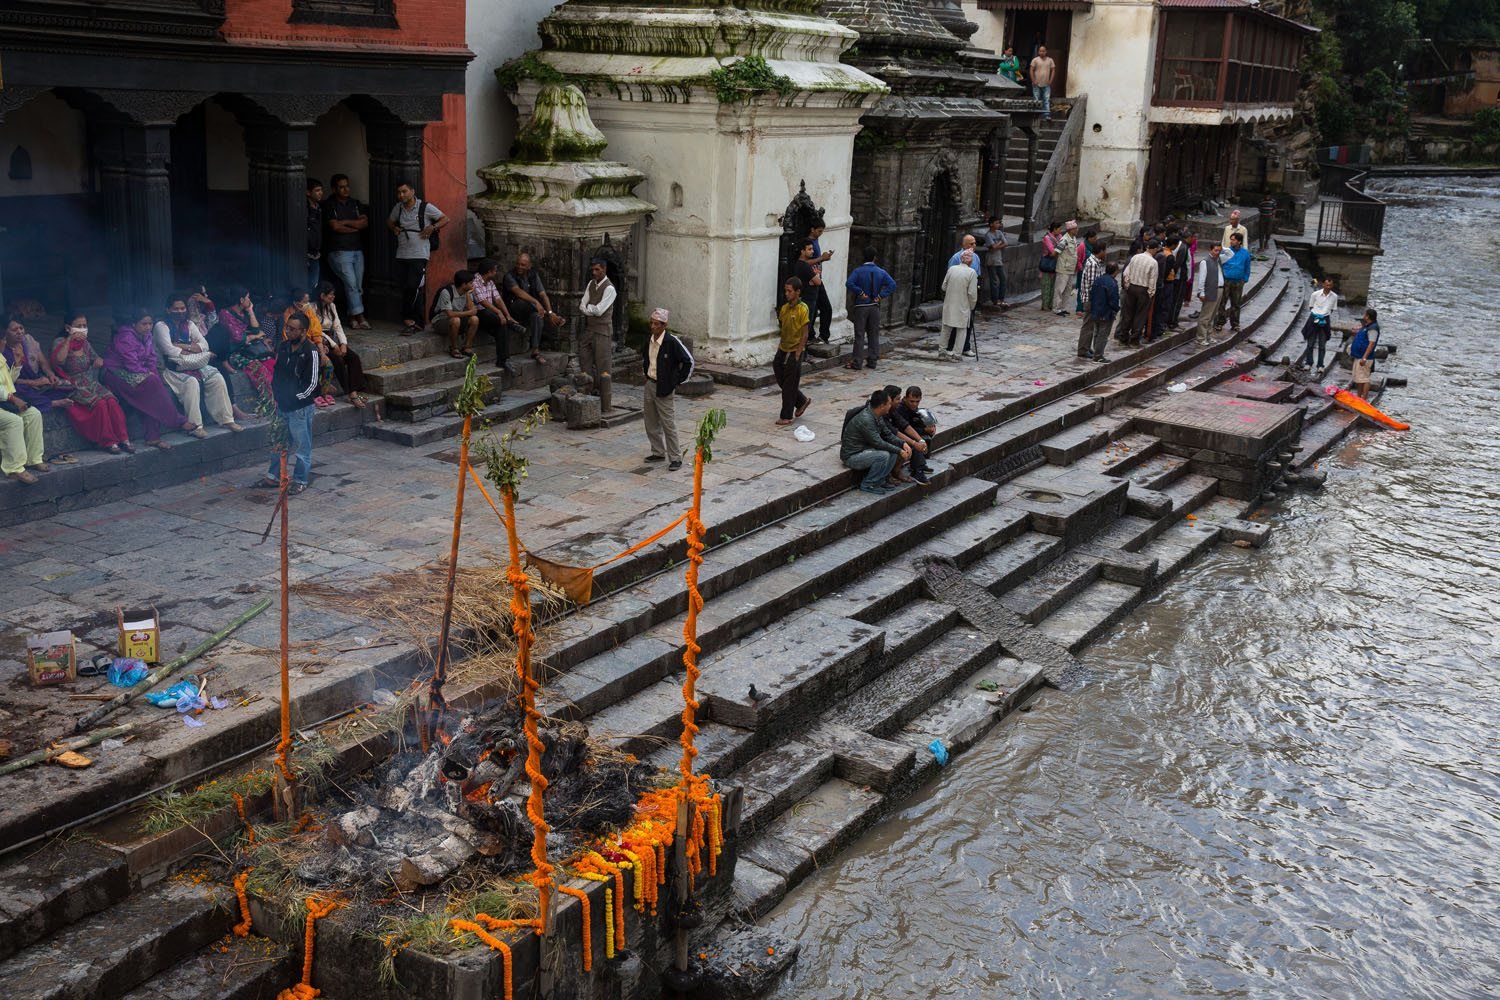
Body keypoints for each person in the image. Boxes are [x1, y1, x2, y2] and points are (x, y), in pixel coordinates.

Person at [101, 308, 190, 450]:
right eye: (144, 324)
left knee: (151, 394)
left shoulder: (147, 336)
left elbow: (151, 359)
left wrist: (153, 374)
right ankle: (176, 420)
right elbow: (132, 365)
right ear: (134, 324)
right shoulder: (125, 338)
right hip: (114, 373)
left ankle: (153, 438)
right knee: (152, 385)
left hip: (137, 373)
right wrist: (149, 376)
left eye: (150, 324)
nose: (148, 327)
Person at [154, 293, 239, 437]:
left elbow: (204, 345)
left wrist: (181, 346)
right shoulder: (161, 326)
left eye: (182, 308)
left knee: (216, 377)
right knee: (191, 382)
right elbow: (169, 350)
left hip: (193, 364)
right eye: (176, 309)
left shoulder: (189, 324)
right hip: (173, 368)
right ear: (168, 310)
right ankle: (195, 426)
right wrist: (191, 347)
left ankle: (226, 419)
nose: (180, 311)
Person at [255, 310, 318, 494]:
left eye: (293, 329)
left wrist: (294, 398)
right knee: (279, 443)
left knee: (301, 446)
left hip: (300, 408)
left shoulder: (311, 352)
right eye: (287, 328)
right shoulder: (283, 347)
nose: (288, 332)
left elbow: (312, 384)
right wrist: (276, 395)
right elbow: (278, 374)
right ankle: (273, 476)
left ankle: (300, 480)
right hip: (281, 405)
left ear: (303, 331)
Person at [50, 313, 132, 453]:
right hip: (73, 384)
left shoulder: (86, 344)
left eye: (84, 326)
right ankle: (108, 441)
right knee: (100, 404)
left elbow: (96, 358)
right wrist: (70, 339)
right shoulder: (60, 342)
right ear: (68, 328)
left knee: (111, 400)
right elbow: (59, 361)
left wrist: (98, 361)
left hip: (90, 381)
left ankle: (124, 438)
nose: (82, 329)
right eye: (78, 326)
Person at [387, 181, 449, 335]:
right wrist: (394, 227)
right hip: (402, 253)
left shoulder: (425, 207)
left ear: (412, 191)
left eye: (404, 191)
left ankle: (410, 319)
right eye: (399, 193)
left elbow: (445, 219)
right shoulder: (398, 208)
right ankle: (417, 322)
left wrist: (432, 227)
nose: (401, 195)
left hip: (419, 254)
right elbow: (390, 221)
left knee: (412, 286)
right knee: (406, 286)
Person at [210, 286, 273, 419]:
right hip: (232, 353)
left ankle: (276, 401)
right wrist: (254, 337)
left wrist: (250, 311)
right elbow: (239, 338)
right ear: (241, 299)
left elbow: (256, 329)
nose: (249, 300)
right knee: (258, 368)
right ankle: (270, 405)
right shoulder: (225, 313)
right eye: (248, 297)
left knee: (271, 364)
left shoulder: (244, 313)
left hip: (247, 350)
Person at [642, 307, 693, 470]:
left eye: (656, 324)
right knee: (650, 421)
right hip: (650, 383)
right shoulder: (649, 340)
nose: (653, 327)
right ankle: (657, 451)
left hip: (665, 387)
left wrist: (676, 381)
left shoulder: (672, 342)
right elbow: (646, 358)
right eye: (651, 323)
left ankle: (675, 457)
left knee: (668, 423)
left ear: (664, 325)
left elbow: (689, 362)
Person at [840, 388, 909, 496]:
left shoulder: (877, 415)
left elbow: (888, 434)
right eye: (889, 404)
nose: (890, 406)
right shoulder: (866, 419)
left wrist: (902, 443)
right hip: (852, 456)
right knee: (883, 455)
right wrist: (900, 450)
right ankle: (868, 484)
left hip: (865, 450)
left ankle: (880, 481)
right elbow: (878, 443)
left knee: (893, 451)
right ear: (882, 405)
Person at [323, 174, 371, 330]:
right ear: (334, 189)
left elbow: (364, 223)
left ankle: (352, 316)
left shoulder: (355, 203)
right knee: (351, 284)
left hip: (357, 249)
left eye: (347, 186)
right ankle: (360, 316)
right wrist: (354, 227)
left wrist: (346, 223)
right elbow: (335, 227)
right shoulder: (330, 205)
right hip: (339, 251)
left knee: (357, 285)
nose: (345, 189)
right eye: (341, 187)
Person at [1, 337, 48, 484]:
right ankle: (14, 468)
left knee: (33, 414)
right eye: (2, 340)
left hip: (3, 403)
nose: (4, 343)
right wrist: (13, 399)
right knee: (13, 421)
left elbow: (9, 381)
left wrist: (17, 363)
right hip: (5, 401)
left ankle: (34, 459)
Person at [313, 282, 368, 408]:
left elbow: (337, 326)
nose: (333, 297)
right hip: (321, 341)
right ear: (322, 295)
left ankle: (354, 390)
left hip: (333, 339)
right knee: (337, 360)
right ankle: (351, 393)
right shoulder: (312, 308)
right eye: (330, 295)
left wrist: (343, 344)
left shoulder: (332, 306)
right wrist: (334, 345)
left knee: (353, 357)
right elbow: (317, 331)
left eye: (333, 294)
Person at [3, 316, 74, 412]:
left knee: (67, 386)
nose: (20, 332)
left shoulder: (28, 341)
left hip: (38, 380)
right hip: (19, 384)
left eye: (21, 328)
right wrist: (35, 382)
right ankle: (54, 403)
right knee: (17, 391)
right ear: (5, 332)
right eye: (14, 330)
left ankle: (42, 400)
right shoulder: (2, 349)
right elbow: (7, 380)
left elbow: (43, 362)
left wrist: (50, 374)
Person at [503, 252, 561, 362]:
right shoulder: (509, 276)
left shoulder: (533, 275)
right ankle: (550, 316)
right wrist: (537, 303)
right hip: (514, 308)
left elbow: (543, 294)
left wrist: (550, 311)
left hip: (530, 309)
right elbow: (518, 292)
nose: (520, 267)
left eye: (523, 265)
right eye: (518, 264)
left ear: (529, 266)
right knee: (523, 302)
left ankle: (535, 350)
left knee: (537, 317)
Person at [845, 245, 896, 370]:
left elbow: (849, 283)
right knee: (873, 334)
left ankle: (857, 362)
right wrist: (880, 296)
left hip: (861, 306)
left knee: (860, 335)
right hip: (874, 306)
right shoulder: (881, 272)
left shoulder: (858, 271)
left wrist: (860, 292)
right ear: (874, 258)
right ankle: (872, 360)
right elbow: (892, 285)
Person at [577, 259, 617, 410]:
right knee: (584, 359)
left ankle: (604, 400)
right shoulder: (591, 284)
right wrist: (589, 309)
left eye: (597, 270)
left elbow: (600, 310)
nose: (594, 273)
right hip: (590, 329)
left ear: (604, 270)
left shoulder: (610, 289)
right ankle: (588, 391)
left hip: (602, 331)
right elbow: (582, 304)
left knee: (603, 365)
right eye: (593, 270)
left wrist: (589, 309)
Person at [471, 259, 520, 377]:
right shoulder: (474, 281)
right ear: (489, 271)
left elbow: (498, 299)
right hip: (478, 312)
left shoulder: (490, 282)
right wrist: (499, 313)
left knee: (501, 327)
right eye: (495, 271)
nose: (496, 273)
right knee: (498, 321)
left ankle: (503, 360)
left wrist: (507, 315)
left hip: (490, 313)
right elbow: (482, 302)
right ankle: (504, 359)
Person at [774, 277, 811, 426]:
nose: (787, 294)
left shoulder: (803, 309)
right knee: (779, 374)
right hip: (783, 347)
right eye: (786, 291)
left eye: (789, 291)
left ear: (797, 292)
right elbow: (783, 328)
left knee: (790, 382)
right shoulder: (784, 308)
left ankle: (786, 416)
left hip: (796, 349)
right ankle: (801, 400)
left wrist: (797, 353)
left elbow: (805, 334)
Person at [882, 383, 930, 485]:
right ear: (889, 400)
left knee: (917, 440)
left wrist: (920, 440)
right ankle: (892, 473)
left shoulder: (893, 409)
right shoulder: (882, 412)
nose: (900, 402)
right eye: (898, 399)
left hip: (889, 436)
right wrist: (914, 443)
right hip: (878, 441)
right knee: (906, 445)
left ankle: (917, 468)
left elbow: (904, 425)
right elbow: (894, 431)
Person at [1114, 240, 1159, 347]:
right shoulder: (1153, 262)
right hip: (1143, 290)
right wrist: (1151, 293)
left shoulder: (1135, 257)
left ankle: (1123, 338)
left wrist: (1128, 285)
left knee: (1127, 314)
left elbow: (1126, 273)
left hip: (1131, 288)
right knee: (1140, 315)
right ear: (1154, 249)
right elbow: (1153, 280)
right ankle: (1134, 340)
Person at [940, 249, 979, 359]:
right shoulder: (972, 273)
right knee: (961, 330)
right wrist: (972, 306)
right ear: (971, 262)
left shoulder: (951, 269)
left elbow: (944, 287)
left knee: (946, 329)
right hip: (963, 305)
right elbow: (972, 293)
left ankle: (942, 351)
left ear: (961, 259)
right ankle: (957, 354)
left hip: (949, 304)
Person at [432, 270, 480, 359]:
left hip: (458, 320)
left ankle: (467, 347)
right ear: (463, 284)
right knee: (455, 320)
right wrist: (468, 313)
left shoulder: (467, 292)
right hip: (440, 321)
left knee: (475, 319)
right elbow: (450, 314)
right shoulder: (446, 292)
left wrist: (468, 294)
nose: (473, 285)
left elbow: (473, 310)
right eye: (470, 283)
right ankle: (454, 348)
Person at [1079, 262, 1119, 363]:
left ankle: (1096, 351)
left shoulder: (1098, 280)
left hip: (1096, 310)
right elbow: (1113, 300)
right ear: (1115, 271)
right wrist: (1116, 309)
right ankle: (1098, 355)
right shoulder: (1112, 283)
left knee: (1097, 332)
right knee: (1103, 334)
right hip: (1106, 312)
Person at [1213, 233, 1251, 333]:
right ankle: (1220, 322)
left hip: (1238, 281)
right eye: (1231, 239)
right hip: (1226, 280)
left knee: (1236, 303)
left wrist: (1245, 279)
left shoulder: (1245, 253)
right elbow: (1220, 264)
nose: (1231, 241)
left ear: (1239, 241)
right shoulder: (1227, 252)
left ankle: (1235, 324)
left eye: (1233, 240)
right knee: (1222, 303)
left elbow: (1247, 267)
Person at [1299, 276, 1339, 371]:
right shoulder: (1315, 294)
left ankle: (1320, 365)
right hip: (1314, 319)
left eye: (1330, 285)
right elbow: (1311, 306)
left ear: (1332, 285)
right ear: (1323, 284)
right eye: (1326, 285)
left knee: (1322, 344)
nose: (1328, 287)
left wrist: (1324, 315)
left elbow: (1332, 309)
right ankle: (1309, 363)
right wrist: (1317, 315)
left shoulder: (1334, 297)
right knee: (1310, 343)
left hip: (1325, 320)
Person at [1191, 241, 1223, 346]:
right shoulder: (1205, 261)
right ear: (1211, 249)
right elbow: (1201, 278)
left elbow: (1230, 254)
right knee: (1206, 315)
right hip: (1210, 290)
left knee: (1213, 315)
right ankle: (1200, 338)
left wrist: (1223, 248)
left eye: (1219, 250)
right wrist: (1201, 292)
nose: (1217, 252)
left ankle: (1208, 336)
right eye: (1215, 250)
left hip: (1219, 289)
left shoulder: (1218, 260)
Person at [807, 222, 834, 343]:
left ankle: (821, 335)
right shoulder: (808, 243)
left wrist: (824, 258)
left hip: (817, 278)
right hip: (811, 280)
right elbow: (805, 263)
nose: (820, 234)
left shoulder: (815, 242)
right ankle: (813, 335)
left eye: (822, 231)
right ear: (812, 229)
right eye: (819, 231)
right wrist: (821, 258)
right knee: (820, 309)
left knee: (822, 308)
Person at [1150, 238, 1179, 339]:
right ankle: (1160, 328)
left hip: (1162, 283)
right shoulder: (1168, 256)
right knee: (1164, 306)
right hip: (1166, 283)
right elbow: (1165, 272)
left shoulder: (1162, 253)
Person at [1349, 308, 1381, 398]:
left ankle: (1364, 397)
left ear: (1368, 316)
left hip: (1365, 357)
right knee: (1359, 378)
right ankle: (1359, 396)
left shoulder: (1373, 328)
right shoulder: (1367, 326)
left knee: (1365, 378)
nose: (1363, 316)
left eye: (1365, 314)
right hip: (1359, 355)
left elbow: (1371, 344)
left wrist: (1364, 358)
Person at [1053, 220, 1079, 316]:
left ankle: (1063, 307)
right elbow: (1055, 253)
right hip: (1063, 268)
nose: (1077, 230)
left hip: (1071, 269)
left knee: (1067, 290)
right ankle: (1056, 308)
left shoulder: (1073, 239)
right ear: (1070, 230)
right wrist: (1062, 262)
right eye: (1075, 228)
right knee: (1060, 289)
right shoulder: (1064, 240)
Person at [981, 218, 1007, 308]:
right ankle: (995, 300)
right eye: (996, 223)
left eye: (999, 223)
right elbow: (994, 246)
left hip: (998, 260)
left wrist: (996, 246)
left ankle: (1001, 299)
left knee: (1003, 279)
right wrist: (1000, 242)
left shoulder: (999, 233)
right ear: (991, 224)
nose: (998, 224)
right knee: (994, 281)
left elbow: (1005, 243)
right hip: (991, 261)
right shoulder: (988, 235)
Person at [305, 177, 324, 292]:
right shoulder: (304, 208)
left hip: (315, 253)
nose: (320, 193)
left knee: (314, 283)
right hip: (306, 253)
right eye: (317, 190)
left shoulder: (318, 208)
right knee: (306, 284)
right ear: (308, 192)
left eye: (321, 190)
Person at [1079, 236, 1106, 314]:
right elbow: (1093, 285)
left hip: (1092, 299)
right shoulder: (1093, 264)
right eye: (1105, 251)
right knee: (1088, 324)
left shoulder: (1096, 261)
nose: (1105, 253)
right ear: (1101, 251)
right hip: (1091, 299)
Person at [1029, 44, 1057, 119]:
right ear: (1038, 52)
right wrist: (1033, 80)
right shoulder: (1035, 60)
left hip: (1046, 84)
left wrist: (1050, 80)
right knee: (1036, 100)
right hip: (1036, 83)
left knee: (1046, 99)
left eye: (1043, 51)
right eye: (1040, 51)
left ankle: (1046, 115)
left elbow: (1053, 70)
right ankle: (1036, 116)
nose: (1042, 52)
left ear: (1046, 52)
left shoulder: (1050, 60)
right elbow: (1031, 70)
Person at [1038, 221, 1061, 311]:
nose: (1060, 231)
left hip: (1055, 262)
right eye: (1059, 229)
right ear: (1054, 229)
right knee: (1046, 285)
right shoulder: (1047, 238)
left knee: (1053, 285)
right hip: (1047, 263)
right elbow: (1052, 251)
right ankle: (1045, 305)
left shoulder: (1059, 237)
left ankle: (1050, 304)